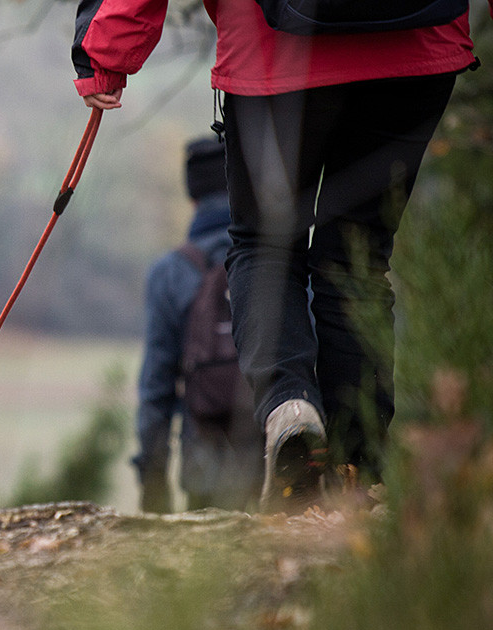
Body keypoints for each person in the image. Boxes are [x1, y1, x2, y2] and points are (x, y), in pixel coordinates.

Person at [73, 0, 490, 511]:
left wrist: (106, 53)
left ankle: (290, 406)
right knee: (358, 259)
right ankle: (358, 472)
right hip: (416, 45)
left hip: (272, 51)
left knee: (265, 246)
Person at [135, 137, 262, 512]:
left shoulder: (171, 273)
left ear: (192, 200)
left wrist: (152, 479)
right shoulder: (278, 264)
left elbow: (156, 388)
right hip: (275, 465)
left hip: (204, 469)